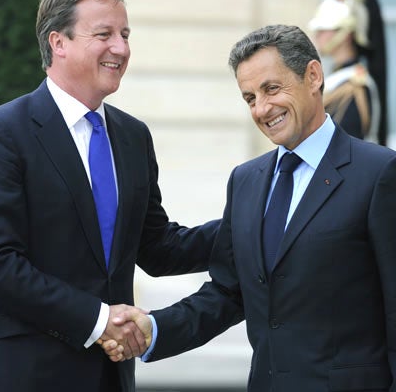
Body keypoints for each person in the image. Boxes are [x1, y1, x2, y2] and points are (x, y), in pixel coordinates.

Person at [105, 24, 396, 391]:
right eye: (249, 98)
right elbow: (228, 293)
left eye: (272, 88)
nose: (262, 108)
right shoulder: (246, 181)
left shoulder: (379, 173)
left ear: (313, 76)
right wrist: (155, 328)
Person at [0, 0, 219, 392]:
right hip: (26, 374)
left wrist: (254, 219)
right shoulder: (6, 132)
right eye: (104, 35)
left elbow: (156, 247)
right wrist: (99, 321)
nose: (121, 48)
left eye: (125, 35)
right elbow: (1, 264)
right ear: (58, 42)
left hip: (111, 377)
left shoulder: (133, 136)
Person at [308, 0, 387, 145]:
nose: (318, 35)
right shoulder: (339, 80)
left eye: (324, 28)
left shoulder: (354, 87)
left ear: (346, 34)